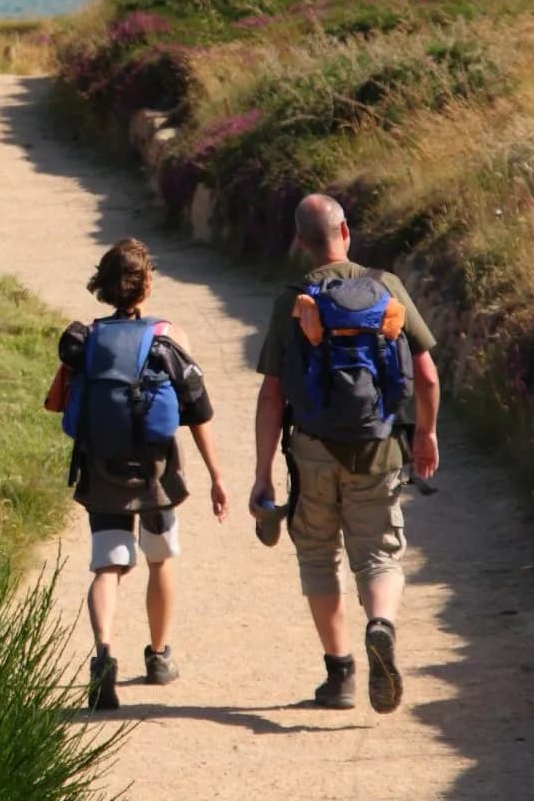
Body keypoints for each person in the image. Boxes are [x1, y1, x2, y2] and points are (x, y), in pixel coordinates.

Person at [249, 193, 441, 714]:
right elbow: (425, 373)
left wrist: (264, 474)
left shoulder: (293, 299)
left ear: (300, 242)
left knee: (317, 555)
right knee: (378, 553)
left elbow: (272, 395)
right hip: (378, 447)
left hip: (311, 450)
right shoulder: (386, 287)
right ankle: (380, 624)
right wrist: (425, 434)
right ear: (346, 232)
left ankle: (341, 675)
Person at [50, 237, 228, 711]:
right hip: (156, 472)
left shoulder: (86, 341)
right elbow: (198, 413)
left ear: (103, 287)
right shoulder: (169, 338)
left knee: (107, 564)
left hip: (102, 469)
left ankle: (103, 652)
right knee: (159, 559)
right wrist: (215, 475)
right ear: (146, 283)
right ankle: (158, 655)